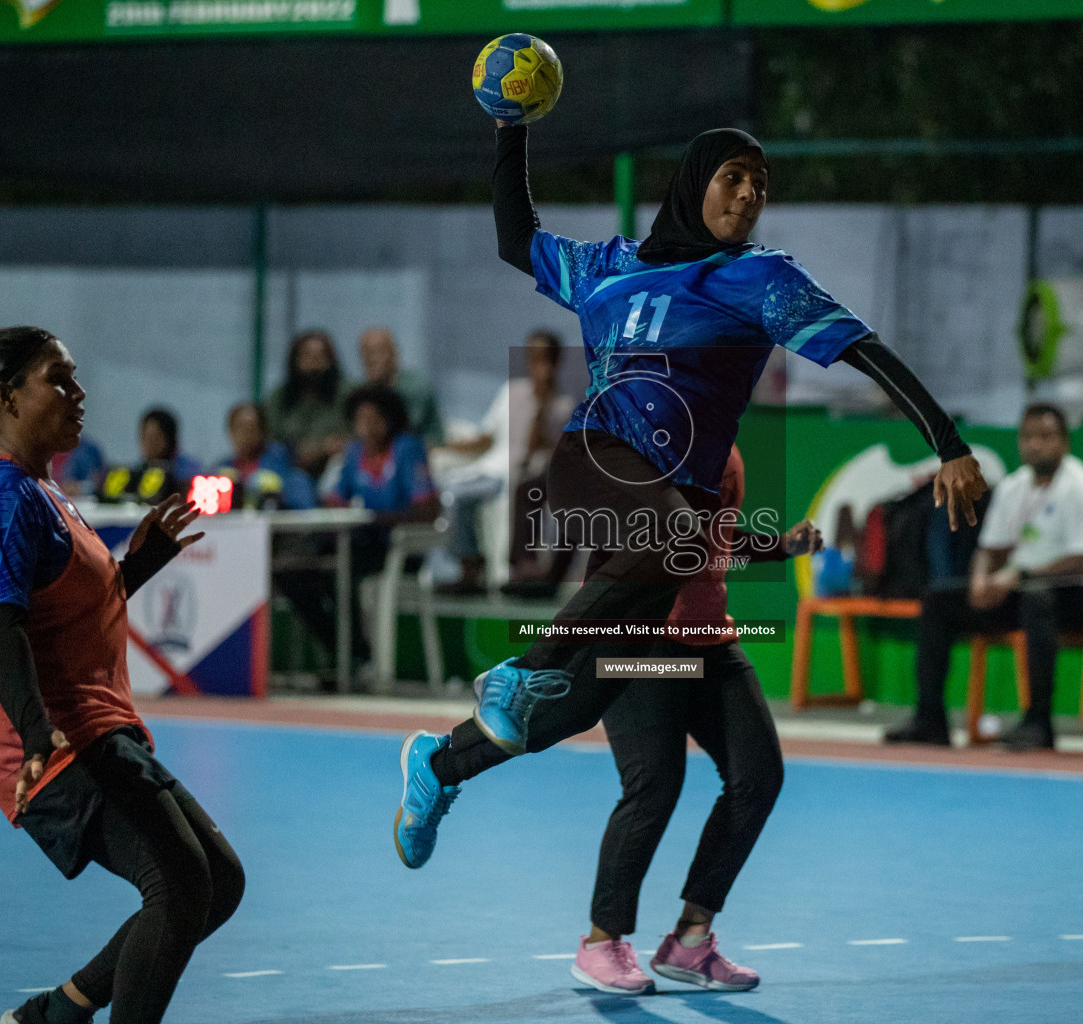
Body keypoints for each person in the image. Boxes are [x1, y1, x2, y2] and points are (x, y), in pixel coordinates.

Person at [390, 121, 987, 870]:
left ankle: (438, 766)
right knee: (646, 595)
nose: (749, 193)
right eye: (733, 176)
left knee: (569, 704)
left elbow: (863, 348)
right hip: (593, 462)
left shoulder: (763, 280)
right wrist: (513, 129)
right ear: (693, 181)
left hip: (660, 529)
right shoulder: (607, 265)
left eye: (760, 182)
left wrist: (947, 440)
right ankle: (514, 674)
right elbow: (518, 239)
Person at [0, 326, 242, 1024]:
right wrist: (36, 731)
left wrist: (135, 567)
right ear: (7, 397)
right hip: (54, 742)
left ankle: (57, 1014)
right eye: (60, 378)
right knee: (177, 885)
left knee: (216, 882)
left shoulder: (43, 492)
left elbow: (68, 614)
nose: (78, 393)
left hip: (97, 725)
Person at [565, 446, 810, 996]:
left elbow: (714, 543)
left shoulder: (725, 445)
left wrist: (779, 547)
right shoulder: (647, 440)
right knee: (655, 782)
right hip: (635, 637)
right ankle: (600, 944)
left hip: (708, 641)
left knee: (759, 776)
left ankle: (690, 941)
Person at [885, 404, 1083, 752]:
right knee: (940, 601)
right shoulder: (1014, 487)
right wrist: (981, 580)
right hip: (1020, 588)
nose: (1035, 445)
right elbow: (989, 550)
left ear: (1065, 442)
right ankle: (929, 718)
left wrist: (1019, 575)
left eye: (1045, 437)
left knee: (1037, 600)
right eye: (1028, 437)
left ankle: (1038, 721)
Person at [276, 384, 439, 682]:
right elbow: (338, 496)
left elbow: (428, 510)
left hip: (396, 549)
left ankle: (355, 659)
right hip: (358, 540)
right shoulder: (354, 452)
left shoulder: (407, 449)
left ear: (390, 419)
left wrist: (377, 519)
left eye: (373, 418)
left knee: (337, 572)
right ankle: (344, 651)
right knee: (292, 570)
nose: (366, 426)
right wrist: (336, 505)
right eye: (360, 419)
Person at [435, 329, 575, 596]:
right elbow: (486, 438)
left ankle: (520, 568)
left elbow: (538, 446)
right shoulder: (511, 392)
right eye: (532, 358)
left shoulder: (562, 406)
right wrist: (445, 445)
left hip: (522, 472)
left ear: (555, 363)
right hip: (492, 468)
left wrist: (542, 403)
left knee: (523, 490)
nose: (536, 366)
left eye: (543, 359)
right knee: (453, 493)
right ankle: (469, 565)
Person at [265, 328, 349, 478]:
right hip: (289, 472)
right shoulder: (279, 398)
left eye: (320, 357)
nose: (313, 364)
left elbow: (351, 443)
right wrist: (319, 449)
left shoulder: (347, 395)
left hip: (335, 473)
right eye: (307, 357)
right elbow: (271, 444)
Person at [215, 401, 315, 510]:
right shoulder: (221, 471)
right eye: (239, 428)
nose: (245, 435)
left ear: (262, 432)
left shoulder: (285, 472)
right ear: (230, 431)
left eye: (251, 428)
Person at [358, 326, 444, 445]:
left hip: (426, 452)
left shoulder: (415, 385)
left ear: (393, 354)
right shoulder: (366, 391)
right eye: (364, 354)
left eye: (376, 352)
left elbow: (407, 430)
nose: (370, 360)